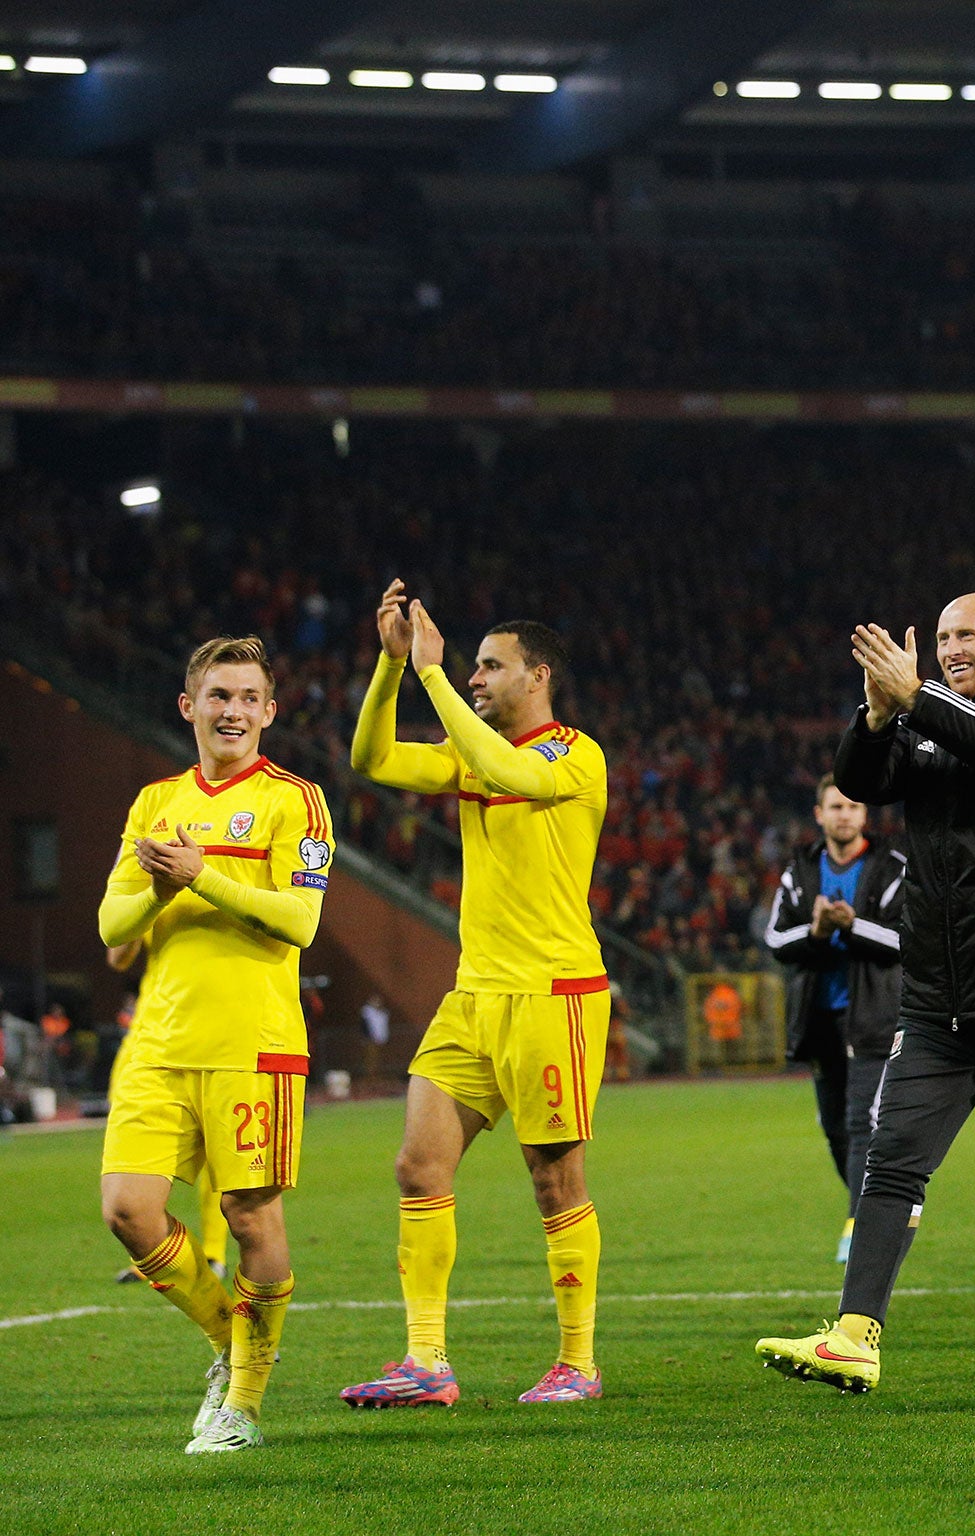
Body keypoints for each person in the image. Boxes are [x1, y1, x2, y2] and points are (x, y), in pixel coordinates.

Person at [756, 590, 975, 1392]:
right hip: (937, 1000)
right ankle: (854, 1334)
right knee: (892, 1160)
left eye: (969, 634)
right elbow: (862, 777)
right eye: (943, 635)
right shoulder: (925, 717)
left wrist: (916, 700)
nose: (952, 647)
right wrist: (881, 714)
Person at [341, 581, 611, 1407]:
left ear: (539, 676)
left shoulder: (575, 754)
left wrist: (433, 678)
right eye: (474, 667)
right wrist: (392, 670)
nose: (478, 677)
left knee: (553, 1179)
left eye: (492, 667)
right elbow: (373, 760)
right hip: (474, 996)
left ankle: (578, 1363)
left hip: (553, 994)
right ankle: (426, 1361)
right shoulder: (474, 749)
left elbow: (510, 772)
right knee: (418, 1167)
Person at [97, 636, 332, 1453]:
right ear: (188, 706)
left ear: (269, 711)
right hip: (161, 1040)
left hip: (253, 1044)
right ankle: (229, 1341)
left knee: (248, 1218)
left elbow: (301, 921)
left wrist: (202, 877)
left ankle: (243, 1407)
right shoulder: (153, 802)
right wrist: (161, 885)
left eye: (247, 698)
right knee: (129, 1210)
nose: (232, 710)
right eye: (218, 696)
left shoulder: (295, 802)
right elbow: (111, 925)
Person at [763, 774, 908, 1261]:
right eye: (835, 806)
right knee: (834, 1128)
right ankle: (884, 1209)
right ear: (819, 815)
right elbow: (776, 941)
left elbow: (906, 940)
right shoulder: (799, 870)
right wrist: (818, 930)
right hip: (820, 1020)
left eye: (852, 806)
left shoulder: (891, 867)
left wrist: (852, 924)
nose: (844, 814)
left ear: (865, 815)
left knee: (861, 1121)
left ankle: (858, 1226)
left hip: (874, 1018)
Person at [108, 939, 230, 1286]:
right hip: (151, 1033)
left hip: (216, 1026)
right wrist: (148, 894)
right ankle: (151, 1254)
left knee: (214, 1147)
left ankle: (214, 1252)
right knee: (137, 1150)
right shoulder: (150, 882)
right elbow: (118, 956)